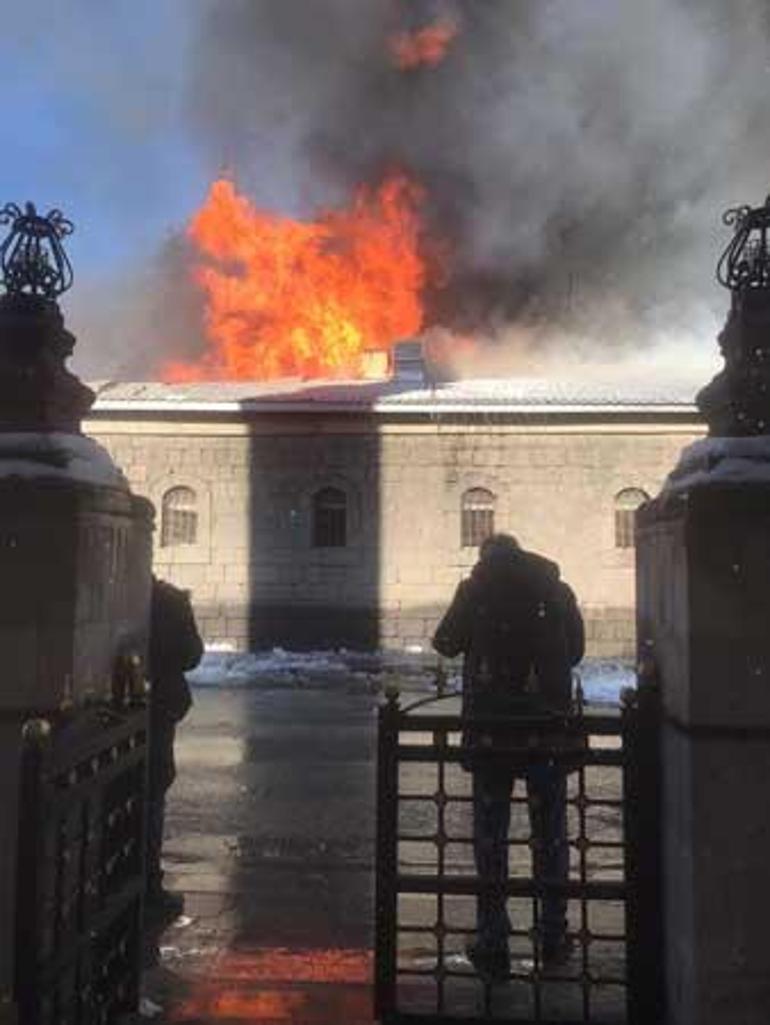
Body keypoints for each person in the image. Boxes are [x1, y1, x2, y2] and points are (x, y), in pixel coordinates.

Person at [432, 534, 584, 982]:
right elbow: (575, 650)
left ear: (486, 557)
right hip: (546, 730)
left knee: (491, 835)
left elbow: (445, 641)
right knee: (550, 831)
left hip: (492, 732)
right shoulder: (555, 588)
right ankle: (553, 930)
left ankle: (493, 935)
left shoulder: (475, 588)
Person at [145, 576, 204, 918]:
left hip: (118, 710)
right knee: (152, 795)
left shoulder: (118, 591)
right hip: (159, 709)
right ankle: (148, 885)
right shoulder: (168, 599)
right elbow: (191, 655)